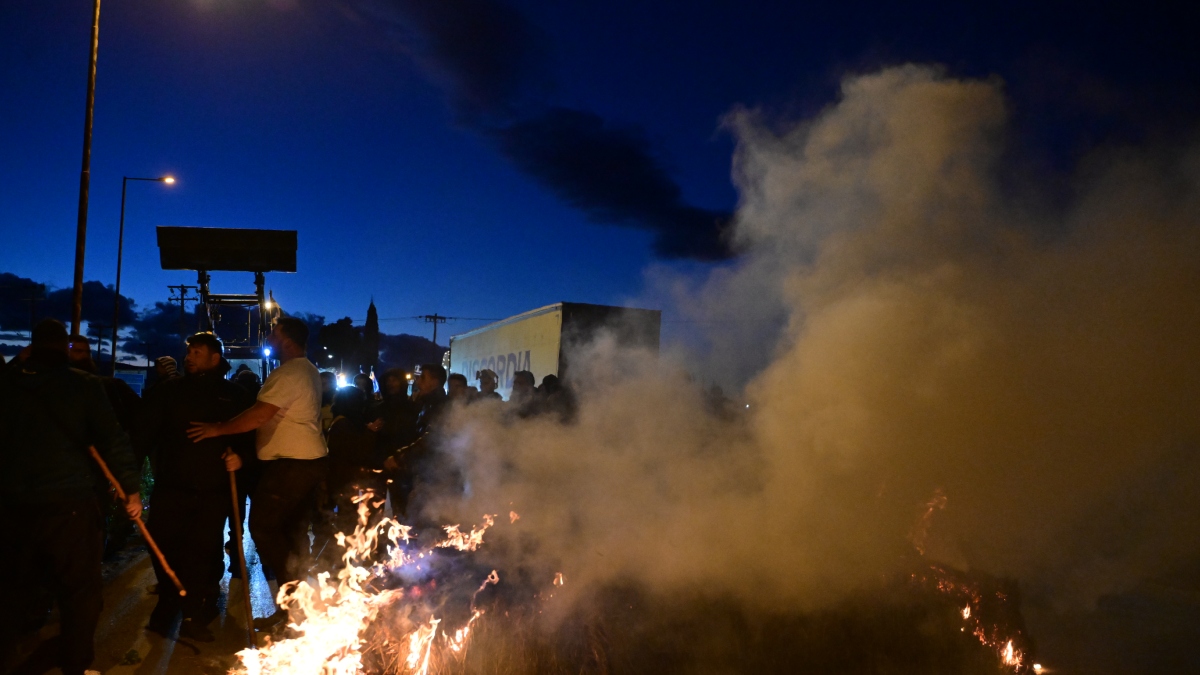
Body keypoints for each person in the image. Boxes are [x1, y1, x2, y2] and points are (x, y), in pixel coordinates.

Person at [0, 319, 141, 675]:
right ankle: (75, 665)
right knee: (79, 591)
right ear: (63, 347)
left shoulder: (7, 384)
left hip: (13, 505)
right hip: (70, 505)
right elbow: (112, 439)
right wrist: (130, 487)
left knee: (14, 585)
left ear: (31, 345)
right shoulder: (85, 387)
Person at [187, 317, 328, 629]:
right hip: (305, 464)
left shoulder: (290, 372)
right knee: (291, 534)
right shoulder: (307, 369)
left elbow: (259, 415)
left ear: (286, 340)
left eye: (273, 334)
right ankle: (295, 609)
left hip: (292, 465)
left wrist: (217, 429)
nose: (269, 338)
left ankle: (292, 604)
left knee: (263, 528)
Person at [136, 333, 255, 641]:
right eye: (188, 352)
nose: (189, 357)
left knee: (202, 554)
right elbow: (141, 436)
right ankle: (170, 602)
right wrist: (128, 480)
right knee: (162, 545)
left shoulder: (235, 395)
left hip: (212, 491)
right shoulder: (168, 392)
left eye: (197, 352)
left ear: (215, 358)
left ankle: (195, 612)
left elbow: (249, 438)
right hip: (170, 487)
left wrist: (240, 457)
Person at [317, 387, 385, 564]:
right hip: (344, 482)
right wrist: (370, 433)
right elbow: (356, 453)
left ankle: (342, 558)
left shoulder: (343, 422)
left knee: (349, 519)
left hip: (343, 480)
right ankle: (338, 560)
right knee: (347, 521)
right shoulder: (343, 424)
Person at [384, 363, 452, 531]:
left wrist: (400, 456)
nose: (418, 381)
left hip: (436, 475)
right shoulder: (424, 403)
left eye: (423, 377)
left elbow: (431, 439)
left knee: (426, 521)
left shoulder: (441, 406)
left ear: (435, 381)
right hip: (423, 471)